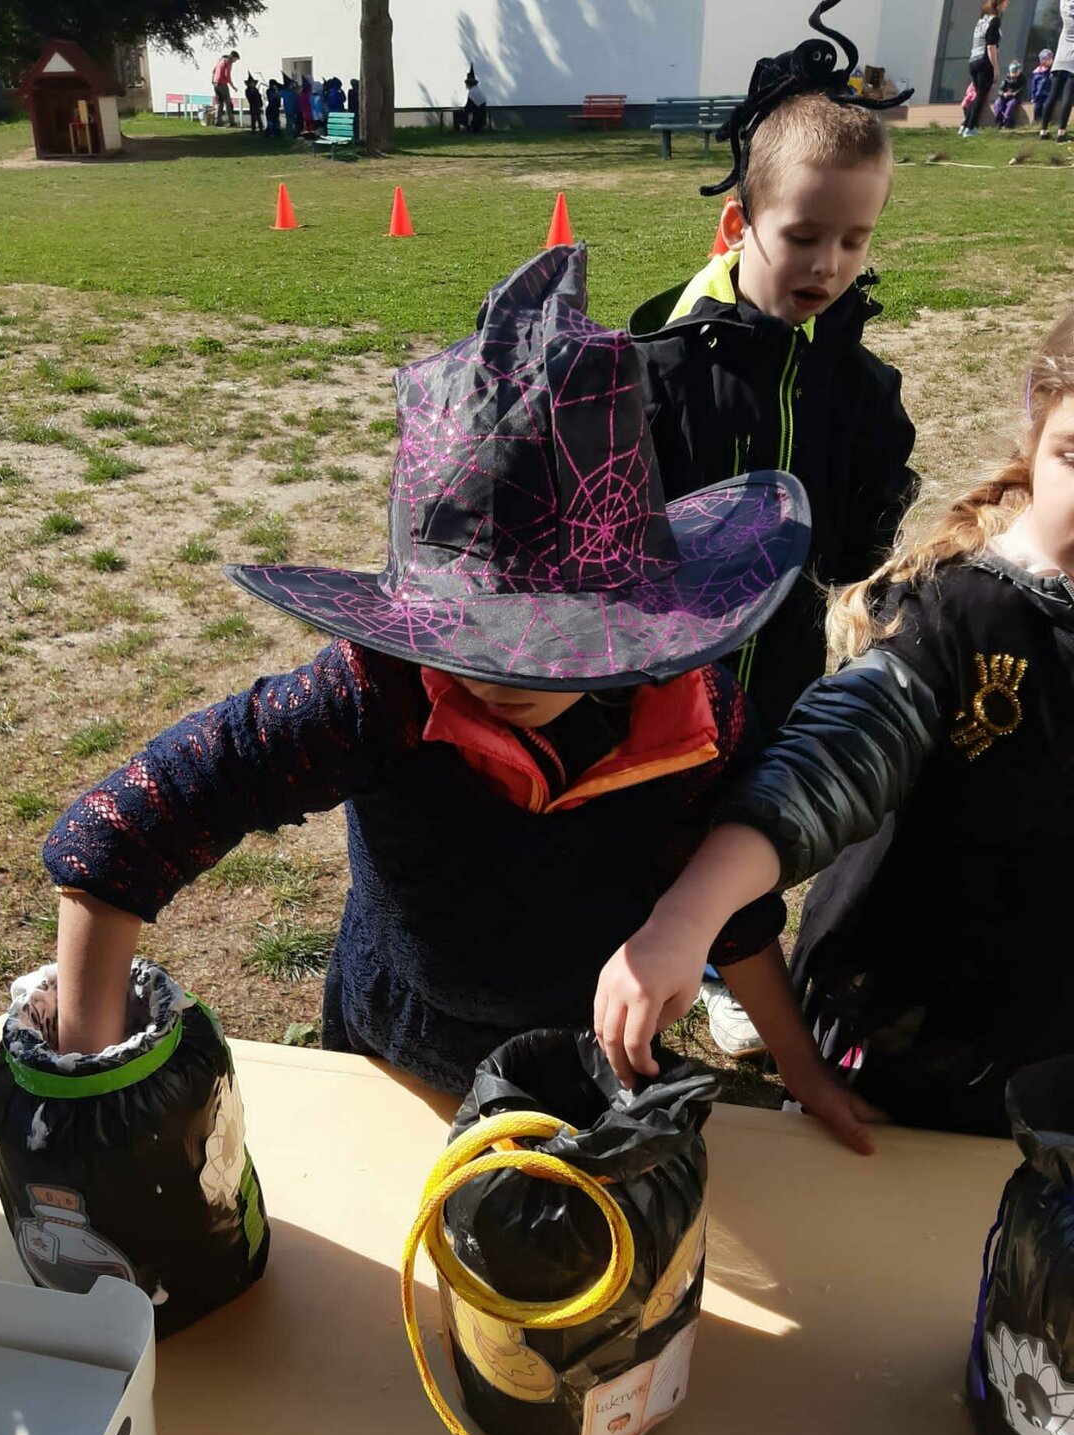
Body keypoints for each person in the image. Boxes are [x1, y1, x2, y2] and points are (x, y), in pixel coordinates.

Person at [41, 246, 809, 1103]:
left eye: (547, 640)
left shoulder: (697, 724)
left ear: (630, 617)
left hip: (583, 1071)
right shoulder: (377, 692)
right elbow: (125, 830)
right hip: (393, 1059)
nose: (495, 672)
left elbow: (734, 913)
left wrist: (804, 1071)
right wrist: (87, 1082)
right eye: (463, 634)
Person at [595, 306, 1074, 1144]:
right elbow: (831, 757)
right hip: (905, 1036)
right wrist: (685, 918)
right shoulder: (955, 616)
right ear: (1037, 433)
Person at [628, 0, 918, 1058]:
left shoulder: (866, 390)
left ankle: (726, 964)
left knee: (752, 820)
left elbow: (868, 543)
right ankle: (620, 946)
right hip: (658, 676)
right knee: (636, 823)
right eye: (803, 235)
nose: (829, 262)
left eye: (854, 238)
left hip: (783, 671)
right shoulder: (658, 372)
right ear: (738, 224)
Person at [961, 0, 1008, 137]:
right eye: (1005, 3)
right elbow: (991, 46)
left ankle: (965, 125)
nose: (1007, 5)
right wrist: (995, 68)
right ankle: (970, 128)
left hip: (973, 61)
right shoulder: (994, 21)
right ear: (998, 4)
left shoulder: (982, 20)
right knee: (981, 96)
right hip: (984, 62)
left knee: (978, 95)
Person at [1039, 0, 1074, 140]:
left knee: (1052, 95)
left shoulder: (1065, 8)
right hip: (1072, 62)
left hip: (1059, 60)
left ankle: (1043, 130)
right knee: (1068, 96)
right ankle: (1061, 131)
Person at [454, 65, 489, 132]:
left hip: (475, 117)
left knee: (457, 114)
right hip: (481, 116)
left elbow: (469, 106)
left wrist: (462, 109)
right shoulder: (478, 90)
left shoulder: (472, 92)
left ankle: (457, 130)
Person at [212, 50, 240, 128]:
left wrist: (213, 80)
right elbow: (227, 75)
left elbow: (214, 71)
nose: (235, 61)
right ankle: (232, 122)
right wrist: (233, 86)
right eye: (235, 59)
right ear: (233, 57)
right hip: (222, 84)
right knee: (228, 103)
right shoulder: (228, 62)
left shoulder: (220, 60)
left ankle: (218, 121)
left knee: (219, 103)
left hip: (216, 83)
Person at [992, 59, 1025, 125]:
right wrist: (1003, 94)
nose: (1014, 74)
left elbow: (1022, 89)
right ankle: (999, 119)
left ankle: (1007, 120)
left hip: (1015, 97)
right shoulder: (1006, 79)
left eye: (1016, 72)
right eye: (1012, 72)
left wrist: (1014, 93)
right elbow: (1000, 89)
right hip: (1006, 96)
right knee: (997, 103)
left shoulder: (1022, 79)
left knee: (1010, 105)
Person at [1030, 47, 1054, 124]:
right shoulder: (1037, 73)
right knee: (1037, 108)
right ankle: (1036, 121)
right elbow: (1033, 85)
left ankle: (1047, 121)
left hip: (1048, 94)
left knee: (1046, 107)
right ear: (1043, 60)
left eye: (1051, 58)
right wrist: (1033, 96)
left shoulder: (1052, 72)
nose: (1051, 60)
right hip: (1038, 95)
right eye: (1048, 59)